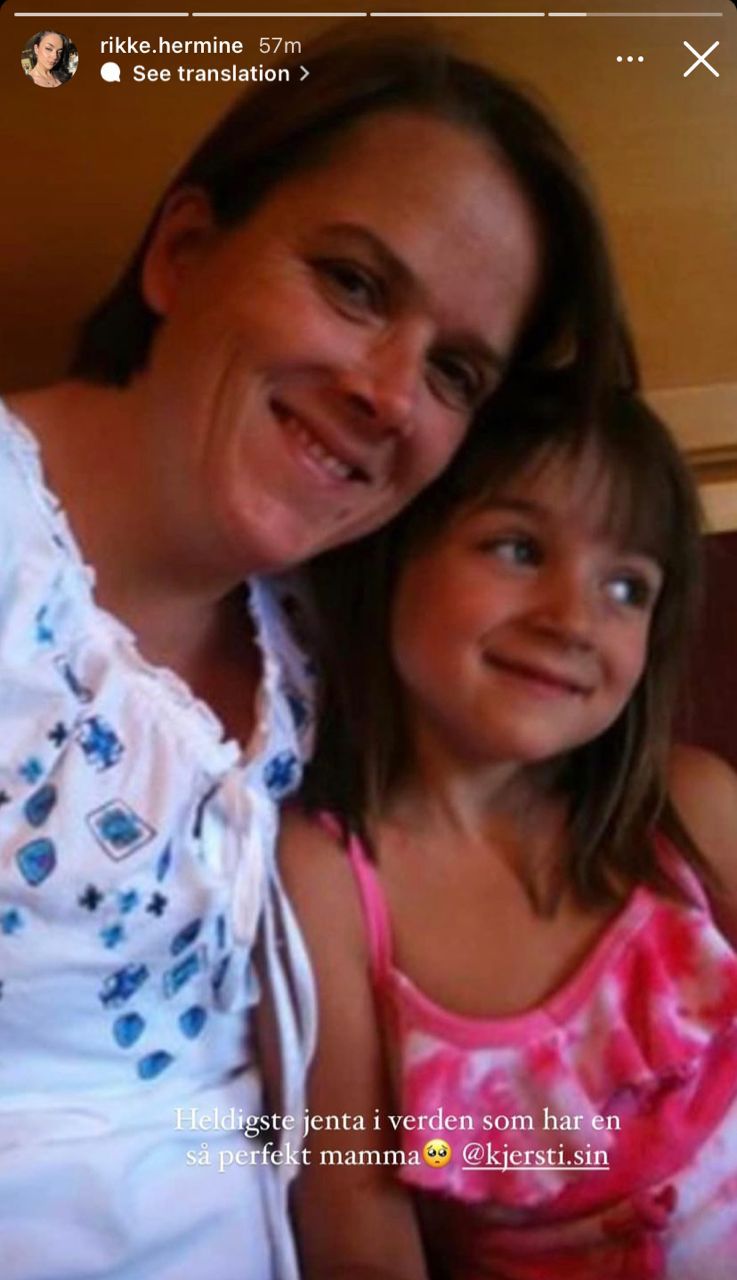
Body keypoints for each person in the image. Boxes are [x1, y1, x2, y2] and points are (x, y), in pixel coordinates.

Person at [0, 28, 632, 1280]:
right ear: (183, 253)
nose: (389, 394)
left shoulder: (347, 631)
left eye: (454, 371)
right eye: (353, 284)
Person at [284, 376, 737, 1279]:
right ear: (393, 550)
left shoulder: (689, 808)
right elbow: (356, 1217)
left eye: (625, 586)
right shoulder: (327, 876)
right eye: (517, 549)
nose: (572, 620)